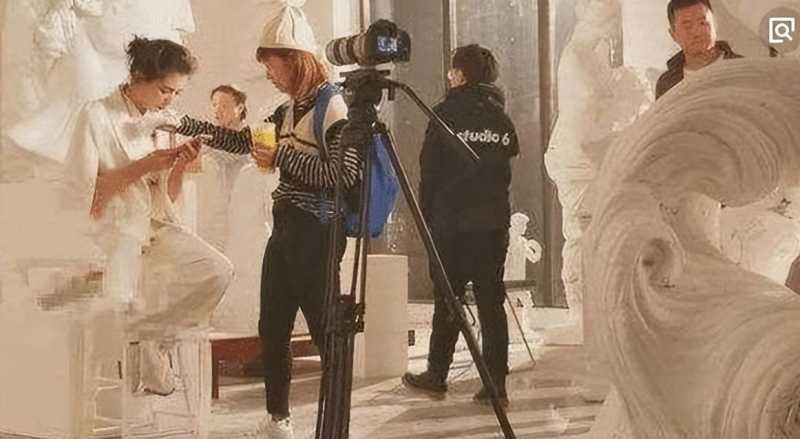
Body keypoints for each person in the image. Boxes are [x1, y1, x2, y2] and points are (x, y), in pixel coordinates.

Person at [63, 36, 234, 396]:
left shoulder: (154, 122)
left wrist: (178, 166)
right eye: (164, 90)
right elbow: (85, 197)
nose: (169, 100)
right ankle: (145, 344)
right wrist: (145, 165)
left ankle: (148, 341)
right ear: (137, 76)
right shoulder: (95, 116)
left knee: (218, 270)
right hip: (112, 233)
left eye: (176, 93)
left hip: (152, 227)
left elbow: (164, 198)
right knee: (144, 287)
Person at [241, 2, 363, 437]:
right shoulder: (288, 110)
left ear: (294, 61)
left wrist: (282, 157)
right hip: (286, 228)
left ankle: (336, 425)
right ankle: (278, 420)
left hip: (318, 232)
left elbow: (344, 175)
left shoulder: (333, 107)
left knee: (325, 332)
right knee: (272, 328)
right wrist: (189, 128)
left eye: (271, 66)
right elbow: (247, 142)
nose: (269, 75)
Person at [402, 44, 520, 407]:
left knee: (448, 301)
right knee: (491, 302)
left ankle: (437, 373)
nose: (449, 76)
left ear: (461, 75)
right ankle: (495, 383)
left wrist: (426, 217)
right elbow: (504, 172)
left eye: (453, 71)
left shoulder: (445, 114)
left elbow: (429, 172)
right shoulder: (501, 119)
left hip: (451, 225)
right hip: (492, 226)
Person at [656, 0, 742, 99]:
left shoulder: (742, 68)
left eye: (702, 23)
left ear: (715, 24)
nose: (697, 32)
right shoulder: (667, 85)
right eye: (687, 26)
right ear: (673, 35)